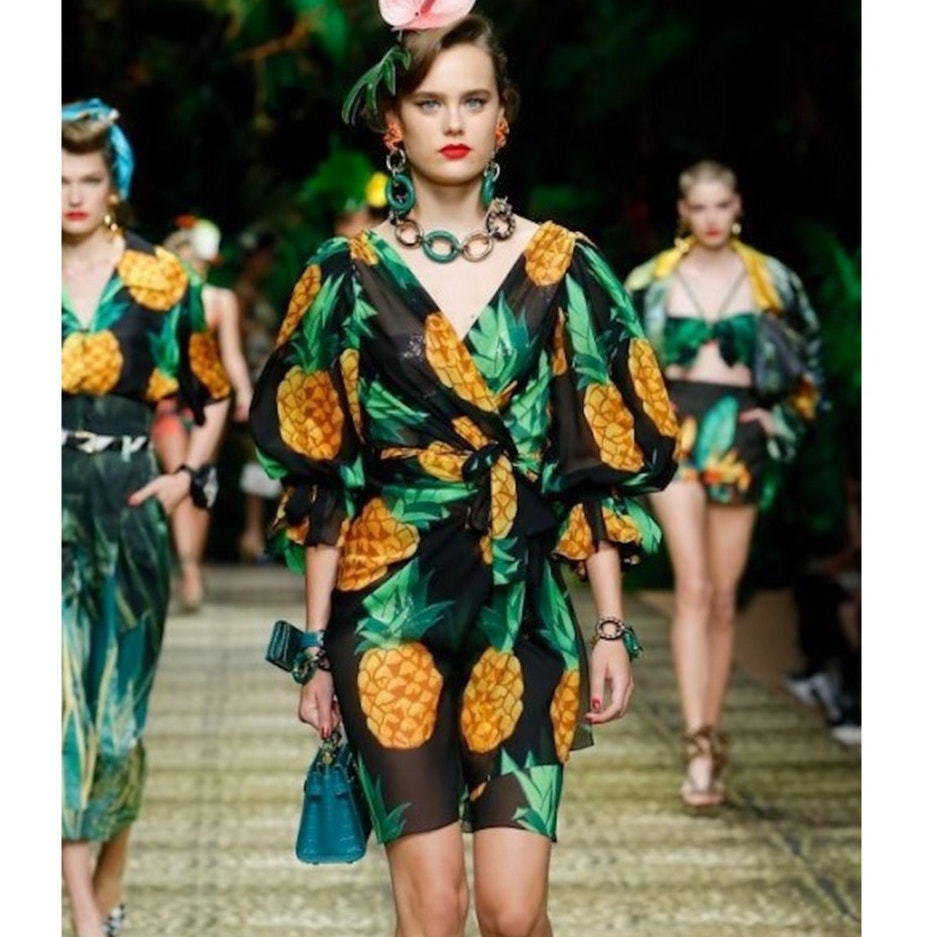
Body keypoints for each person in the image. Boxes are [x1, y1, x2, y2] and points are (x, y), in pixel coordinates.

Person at [248, 5, 678, 936]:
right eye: (430, 102)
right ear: (392, 124)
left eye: (473, 101)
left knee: (513, 914)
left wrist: (609, 625)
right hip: (386, 606)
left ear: (502, 120)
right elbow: (321, 476)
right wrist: (314, 651)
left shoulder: (563, 268)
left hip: (523, 606)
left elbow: (592, 455)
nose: (453, 122)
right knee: (433, 908)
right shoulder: (345, 276)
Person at [62, 99, 231, 937]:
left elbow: (212, 390)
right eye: (56, 180)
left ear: (113, 186)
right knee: (57, 707)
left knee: (121, 717)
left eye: (87, 179)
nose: (71, 196)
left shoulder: (160, 277)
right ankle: (84, 909)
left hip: (130, 498)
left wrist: (186, 476)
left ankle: (110, 874)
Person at [624, 159, 825, 808]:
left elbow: (810, 363)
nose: (711, 217)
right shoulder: (652, 282)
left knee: (722, 596)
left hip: (739, 432)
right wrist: (641, 431)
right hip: (678, 430)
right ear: (683, 212)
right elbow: (615, 362)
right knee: (694, 586)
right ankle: (698, 747)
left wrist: (777, 422)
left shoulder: (771, 280)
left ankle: (712, 732)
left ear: (737, 207)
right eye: (699, 206)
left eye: (721, 205)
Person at [155, 216, 254, 609]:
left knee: (200, 483)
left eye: (193, 258)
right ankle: (190, 570)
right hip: (168, 401)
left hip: (210, 398)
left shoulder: (220, 300)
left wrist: (245, 393)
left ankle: (191, 563)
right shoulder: (156, 301)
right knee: (178, 479)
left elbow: (231, 354)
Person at [233, 228, 283, 562]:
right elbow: (235, 344)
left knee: (269, 453)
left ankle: (261, 534)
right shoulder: (240, 295)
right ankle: (252, 535)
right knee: (256, 454)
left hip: (267, 379)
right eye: (265, 256)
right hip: (252, 381)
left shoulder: (257, 293)